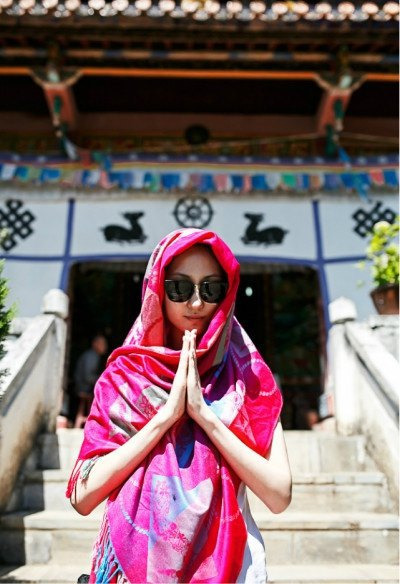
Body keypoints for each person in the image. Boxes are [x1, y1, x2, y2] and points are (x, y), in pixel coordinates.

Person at [67, 229, 292, 583]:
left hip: (231, 570)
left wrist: (205, 416)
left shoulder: (248, 380)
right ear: (157, 289)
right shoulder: (123, 378)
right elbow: (83, 497)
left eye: (211, 289)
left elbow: (279, 495)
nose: (197, 303)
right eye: (179, 288)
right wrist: (165, 418)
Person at [73, 335, 108, 429]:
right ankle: (99, 424)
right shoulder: (91, 356)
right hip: (83, 387)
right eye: (102, 344)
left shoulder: (93, 355)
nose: (105, 346)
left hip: (84, 385)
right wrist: (103, 380)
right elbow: (87, 378)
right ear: (94, 344)